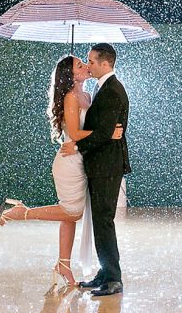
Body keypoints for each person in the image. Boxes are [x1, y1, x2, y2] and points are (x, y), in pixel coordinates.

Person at [0, 54, 123, 288]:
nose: (86, 66)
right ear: (72, 75)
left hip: (83, 160)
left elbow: (95, 128)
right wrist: (108, 134)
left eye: (86, 63)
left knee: (70, 217)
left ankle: (63, 265)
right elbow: (75, 134)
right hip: (69, 161)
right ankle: (23, 212)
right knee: (72, 212)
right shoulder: (70, 98)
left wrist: (102, 133)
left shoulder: (88, 95)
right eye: (80, 65)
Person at [60, 43, 130, 297]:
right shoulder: (103, 89)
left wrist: (77, 146)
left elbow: (103, 134)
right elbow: (104, 131)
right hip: (100, 165)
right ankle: (105, 272)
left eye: (91, 61)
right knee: (100, 221)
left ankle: (113, 278)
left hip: (107, 166)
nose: (88, 65)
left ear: (105, 63)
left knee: (104, 221)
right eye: (85, 61)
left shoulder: (112, 91)